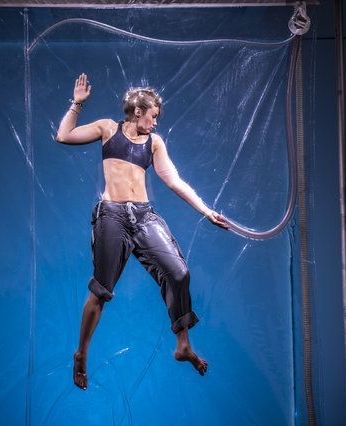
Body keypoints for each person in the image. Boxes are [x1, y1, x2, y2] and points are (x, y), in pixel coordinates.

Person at [56, 73, 229, 391]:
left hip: (144, 216)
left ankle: (183, 344)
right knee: (101, 290)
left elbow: (174, 181)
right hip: (112, 217)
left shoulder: (154, 143)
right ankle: (81, 353)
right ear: (138, 112)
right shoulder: (107, 129)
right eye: (153, 117)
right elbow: (63, 136)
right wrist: (77, 104)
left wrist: (206, 211)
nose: (155, 123)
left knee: (178, 272)